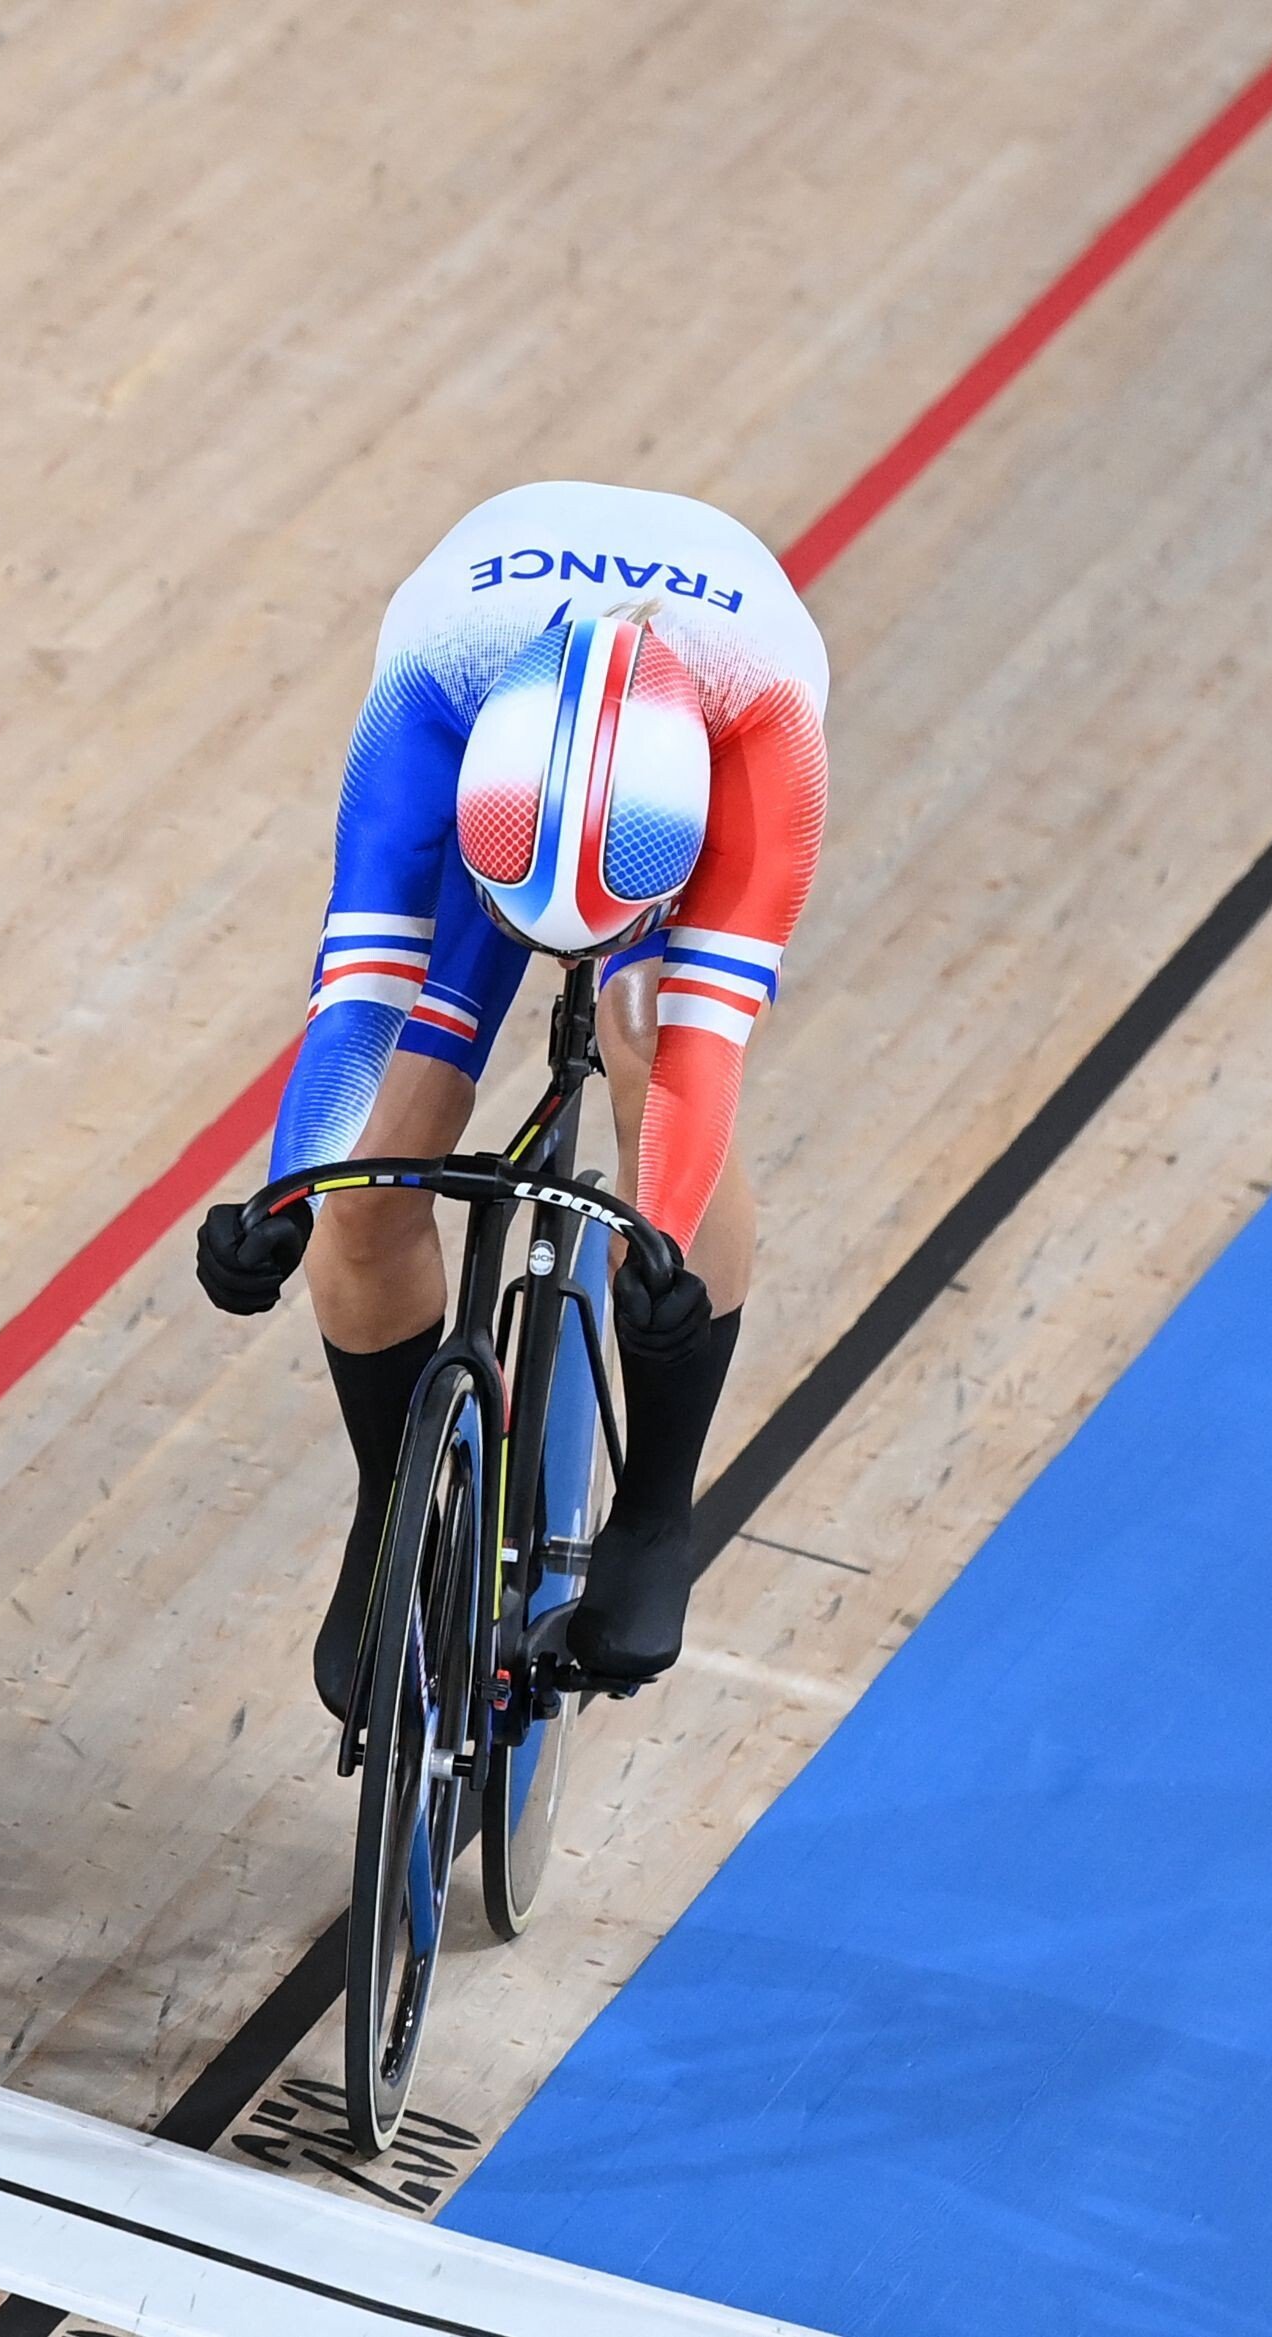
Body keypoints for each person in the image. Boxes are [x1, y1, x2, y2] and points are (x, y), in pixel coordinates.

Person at [194, 480, 828, 1711]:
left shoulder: (764, 729)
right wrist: (283, 1196)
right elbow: (359, 1005)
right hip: (502, 753)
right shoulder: (427, 699)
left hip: (683, 757)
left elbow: (700, 1057)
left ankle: (652, 1514)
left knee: (650, 1061)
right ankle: (392, 1508)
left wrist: (665, 1249)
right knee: (383, 1154)